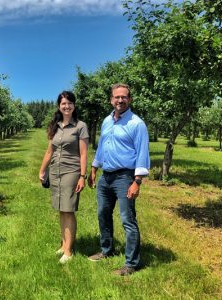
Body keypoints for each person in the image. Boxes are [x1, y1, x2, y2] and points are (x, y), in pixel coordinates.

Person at [87, 83, 150, 276]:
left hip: (125, 177)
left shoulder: (136, 124)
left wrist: (137, 181)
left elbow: (142, 153)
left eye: (124, 97)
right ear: (111, 100)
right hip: (106, 177)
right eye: (117, 97)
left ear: (129, 100)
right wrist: (94, 167)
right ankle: (107, 250)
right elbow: (102, 147)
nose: (120, 100)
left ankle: (131, 263)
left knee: (127, 219)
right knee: (103, 214)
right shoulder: (106, 121)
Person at [39, 91, 89, 264]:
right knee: (61, 209)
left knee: (68, 210)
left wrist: (82, 176)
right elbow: (49, 151)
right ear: (59, 106)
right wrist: (42, 170)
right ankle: (64, 243)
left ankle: (68, 251)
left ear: (74, 105)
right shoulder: (56, 126)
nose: (66, 106)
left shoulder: (80, 126)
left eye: (69, 103)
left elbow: (83, 153)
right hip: (55, 172)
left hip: (71, 171)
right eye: (63, 104)